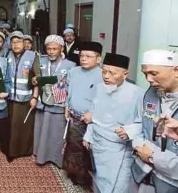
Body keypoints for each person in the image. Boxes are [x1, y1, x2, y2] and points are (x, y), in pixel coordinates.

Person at [82, 53, 144, 193]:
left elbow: (144, 123)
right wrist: (88, 135)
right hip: (98, 143)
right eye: (104, 71)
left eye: (112, 73)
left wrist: (130, 131)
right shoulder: (99, 87)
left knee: (117, 185)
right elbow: (93, 112)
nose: (106, 76)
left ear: (125, 74)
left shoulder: (137, 93)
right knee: (99, 180)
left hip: (119, 147)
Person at [131, 49, 178, 193]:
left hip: (175, 184)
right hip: (144, 175)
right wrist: (138, 145)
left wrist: (153, 157)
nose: (148, 79)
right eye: (145, 74)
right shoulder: (150, 93)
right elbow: (141, 126)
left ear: (176, 71)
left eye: (154, 74)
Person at [62, 41, 103, 186]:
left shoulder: (103, 75)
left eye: (88, 56)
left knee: (89, 150)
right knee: (74, 146)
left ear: (98, 59)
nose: (84, 58)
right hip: (74, 116)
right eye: (81, 55)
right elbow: (69, 91)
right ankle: (76, 174)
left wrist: (93, 114)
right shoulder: (74, 71)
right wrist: (67, 106)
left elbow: (104, 100)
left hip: (92, 120)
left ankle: (90, 178)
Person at [34, 35, 76, 168]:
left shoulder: (71, 65)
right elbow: (35, 78)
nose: (51, 52)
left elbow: (72, 86)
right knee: (42, 130)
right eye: (49, 49)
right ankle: (41, 155)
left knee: (56, 133)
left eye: (54, 49)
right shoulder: (41, 61)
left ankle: (56, 158)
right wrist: (34, 80)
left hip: (58, 105)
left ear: (61, 49)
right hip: (43, 103)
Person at [6, 31, 40, 161]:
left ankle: (25, 150)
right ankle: (12, 152)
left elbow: (37, 77)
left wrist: (35, 97)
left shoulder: (33, 56)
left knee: (25, 126)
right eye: (13, 42)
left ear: (24, 43)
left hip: (26, 98)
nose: (16, 45)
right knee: (11, 127)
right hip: (10, 98)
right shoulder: (7, 54)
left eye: (18, 42)